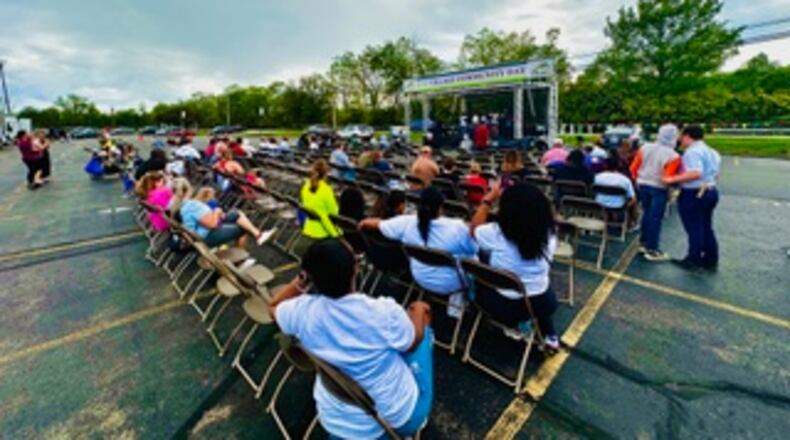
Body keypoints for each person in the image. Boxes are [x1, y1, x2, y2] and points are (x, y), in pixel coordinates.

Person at [270, 239, 433, 439]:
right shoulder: (382, 312)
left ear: (310, 276)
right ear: (356, 268)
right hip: (398, 418)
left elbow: (273, 308)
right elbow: (412, 343)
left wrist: (302, 281)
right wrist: (419, 309)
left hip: (337, 420)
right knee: (424, 334)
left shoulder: (301, 311)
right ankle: (418, 419)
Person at [359, 187, 477, 316]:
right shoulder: (456, 227)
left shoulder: (407, 222)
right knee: (474, 259)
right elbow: (474, 249)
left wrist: (364, 222)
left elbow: (381, 224)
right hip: (450, 284)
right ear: (440, 207)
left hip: (420, 277)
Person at [469, 182, 560, 350]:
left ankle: (516, 326)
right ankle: (549, 336)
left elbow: (474, 229)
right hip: (538, 303)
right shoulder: (549, 236)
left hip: (497, 303)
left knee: (482, 261)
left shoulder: (494, 232)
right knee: (540, 284)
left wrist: (488, 200)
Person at [662, 125, 721, 270]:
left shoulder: (692, 152)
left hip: (694, 192)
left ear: (688, 136)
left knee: (694, 227)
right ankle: (710, 258)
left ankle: (693, 258)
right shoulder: (711, 151)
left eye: (681, 137)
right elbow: (715, 172)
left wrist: (672, 179)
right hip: (710, 190)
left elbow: (695, 172)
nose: (680, 140)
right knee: (706, 226)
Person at [630, 124, 681, 261]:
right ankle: (652, 249)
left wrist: (638, 180)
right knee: (656, 218)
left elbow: (633, 167)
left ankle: (643, 242)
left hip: (643, 184)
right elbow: (668, 177)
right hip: (659, 187)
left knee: (646, 213)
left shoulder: (645, 148)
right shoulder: (673, 155)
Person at [180, 186, 274, 248]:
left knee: (236, 213)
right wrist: (217, 212)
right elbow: (213, 224)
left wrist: (218, 213)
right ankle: (240, 261)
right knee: (242, 228)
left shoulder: (185, 206)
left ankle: (258, 235)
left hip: (201, 232)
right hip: (205, 236)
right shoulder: (192, 206)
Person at [594, 155, 638, 229]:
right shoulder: (624, 180)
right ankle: (631, 223)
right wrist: (626, 206)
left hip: (598, 204)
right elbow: (633, 199)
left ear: (605, 165)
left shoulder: (597, 177)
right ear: (619, 166)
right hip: (618, 206)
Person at [300, 160, 340, 240]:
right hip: (326, 230)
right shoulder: (326, 189)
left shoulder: (305, 186)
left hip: (309, 228)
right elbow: (334, 212)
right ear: (325, 174)